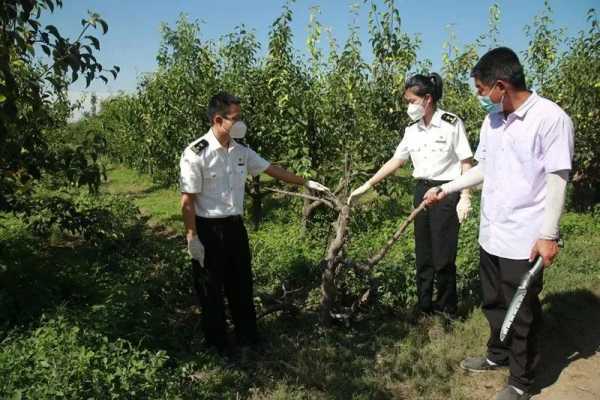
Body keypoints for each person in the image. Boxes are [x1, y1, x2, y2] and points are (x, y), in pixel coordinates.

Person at [424, 47, 574, 400]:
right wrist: (446, 188)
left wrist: (548, 235)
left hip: (525, 236)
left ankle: (522, 382)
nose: (479, 96)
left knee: (521, 312)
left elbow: (558, 180)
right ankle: (497, 356)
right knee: (492, 300)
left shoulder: (550, 119)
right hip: (492, 231)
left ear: (501, 85)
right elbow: (483, 168)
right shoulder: (493, 120)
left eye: (481, 89)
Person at [179, 92, 329, 353]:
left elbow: (272, 169)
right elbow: (187, 201)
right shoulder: (196, 154)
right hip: (208, 230)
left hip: (235, 227)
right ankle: (218, 346)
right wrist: (192, 236)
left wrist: (304, 181)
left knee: (241, 284)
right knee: (211, 290)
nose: (240, 123)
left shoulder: (241, 150)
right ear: (218, 119)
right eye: (235, 119)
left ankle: (248, 338)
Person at [348, 73, 474, 318]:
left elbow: (466, 161)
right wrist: (368, 184)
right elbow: (397, 160)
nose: (408, 106)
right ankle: (424, 306)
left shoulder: (451, 123)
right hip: (421, 192)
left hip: (445, 191)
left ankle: (447, 309)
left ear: (427, 99)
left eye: (411, 100)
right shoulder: (412, 130)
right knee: (424, 254)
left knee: (443, 256)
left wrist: (465, 195)